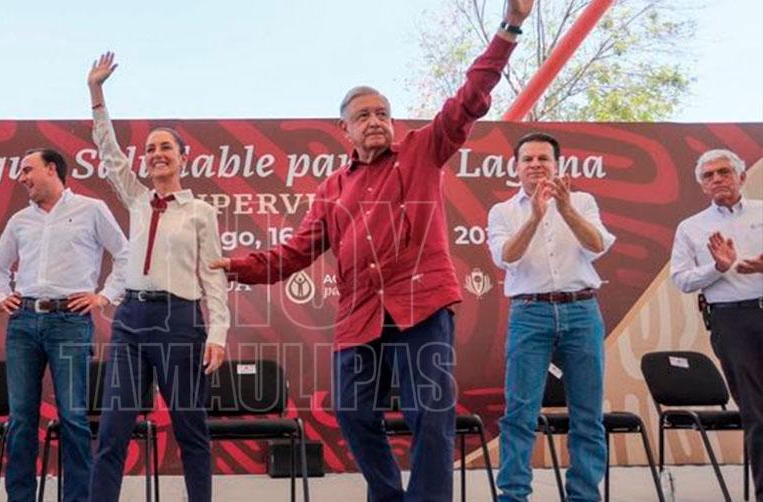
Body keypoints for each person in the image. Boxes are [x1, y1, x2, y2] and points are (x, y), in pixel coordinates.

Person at [210, 2, 533, 500]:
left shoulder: (423, 150)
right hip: (359, 313)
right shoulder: (332, 189)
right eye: (363, 116)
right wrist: (235, 268)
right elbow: (294, 254)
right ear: (344, 129)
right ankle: (387, 494)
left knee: (430, 412)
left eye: (382, 113)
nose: (376, 121)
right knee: (352, 411)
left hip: (421, 305)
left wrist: (509, 28)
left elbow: (470, 98)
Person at [86, 52, 230, 502]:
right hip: (131, 320)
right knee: (112, 430)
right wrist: (96, 92)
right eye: (150, 149)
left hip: (179, 321)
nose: (156, 154)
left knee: (191, 429)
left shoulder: (201, 212)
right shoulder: (137, 199)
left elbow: (213, 278)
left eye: (165, 147)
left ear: (183, 158)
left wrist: (218, 333)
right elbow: (110, 155)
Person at [0, 148, 128, 502]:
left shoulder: (91, 209)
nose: (21, 177)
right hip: (23, 323)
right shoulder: (20, 220)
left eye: (27, 169)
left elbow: (125, 254)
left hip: (70, 321)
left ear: (51, 169)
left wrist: (104, 296)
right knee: (21, 419)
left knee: (73, 417)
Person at [486, 132, 615, 501]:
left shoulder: (583, 201)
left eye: (543, 158)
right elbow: (506, 257)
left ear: (557, 165)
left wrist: (565, 209)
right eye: (528, 159)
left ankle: (583, 496)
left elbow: (597, 245)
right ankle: (513, 496)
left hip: (582, 310)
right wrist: (535, 217)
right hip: (530, 313)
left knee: (587, 413)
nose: (536, 165)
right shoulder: (502, 211)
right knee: (520, 413)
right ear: (516, 167)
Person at [670, 149, 763, 500]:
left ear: (742, 176)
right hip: (733, 321)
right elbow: (681, 279)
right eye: (708, 176)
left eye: (724, 172)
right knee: (757, 413)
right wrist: (717, 268)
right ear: (702, 186)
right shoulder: (691, 227)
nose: (717, 179)